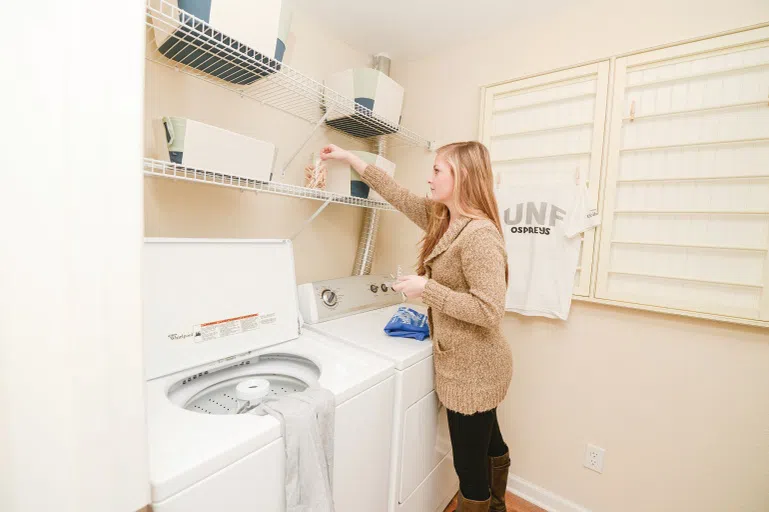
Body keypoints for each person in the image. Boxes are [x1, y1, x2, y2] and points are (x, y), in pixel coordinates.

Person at [319, 141, 513, 512]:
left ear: (463, 176)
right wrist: (349, 158)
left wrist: (427, 289)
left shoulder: (480, 235)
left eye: (438, 170)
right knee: (490, 445)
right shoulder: (444, 219)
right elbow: (397, 194)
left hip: (474, 369)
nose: (430, 176)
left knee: (469, 470)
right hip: (473, 363)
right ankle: (499, 506)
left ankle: (490, 505)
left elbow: (490, 311)